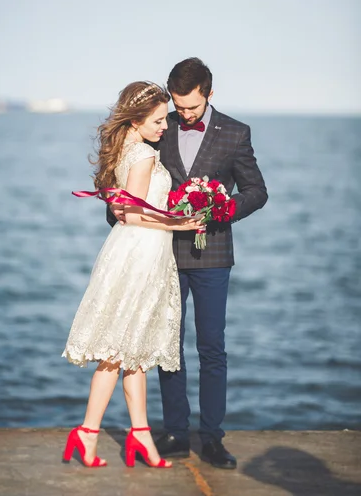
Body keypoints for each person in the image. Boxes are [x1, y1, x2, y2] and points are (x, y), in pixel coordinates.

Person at [110, 58, 268, 469]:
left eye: (191, 108)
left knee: (212, 348)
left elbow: (256, 191)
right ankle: (176, 432)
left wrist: (222, 209)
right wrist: (118, 210)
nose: (183, 115)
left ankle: (212, 438)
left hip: (214, 255)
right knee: (168, 347)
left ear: (209, 94)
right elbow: (133, 179)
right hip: (163, 252)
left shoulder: (236, 133)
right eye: (179, 107)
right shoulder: (160, 126)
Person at [62, 81, 203, 469]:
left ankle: (139, 436)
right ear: (137, 119)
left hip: (132, 250)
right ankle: (88, 432)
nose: (164, 126)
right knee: (115, 351)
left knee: (133, 353)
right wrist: (182, 224)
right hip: (140, 254)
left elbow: (128, 211)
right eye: (157, 120)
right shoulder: (141, 154)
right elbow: (138, 216)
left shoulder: (123, 146)